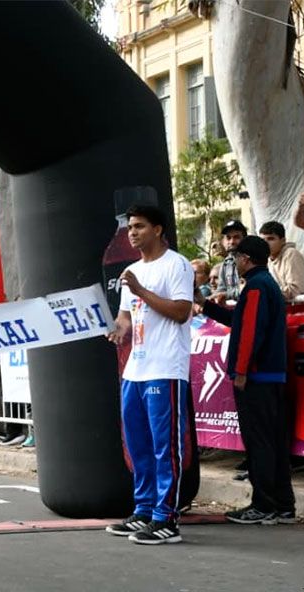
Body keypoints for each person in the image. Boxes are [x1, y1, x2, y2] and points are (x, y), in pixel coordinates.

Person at [105, 204, 194, 545]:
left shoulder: (176, 265)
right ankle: (143, 510)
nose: (132, 233)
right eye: (130, 227)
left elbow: (182, 311)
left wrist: (141, 290)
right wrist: (115, 329)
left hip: (165, 368)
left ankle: (166, 518)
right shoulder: (131, 271)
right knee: (138, 445)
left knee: (164, 447)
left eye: (140, 226)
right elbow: (126, 318)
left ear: (157, 229)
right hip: (136, 369)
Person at [198, 236, 295, 524]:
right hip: (270, 375)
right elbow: (240, 322)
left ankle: (264, 505)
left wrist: (241, 371)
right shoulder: (265, 284)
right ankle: (283, 505)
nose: (234, 263)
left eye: (236, 258)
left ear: (245, 259)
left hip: (256, 376)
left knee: (259, 442)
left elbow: (250, 333)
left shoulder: (255, 287)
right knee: (274, 441)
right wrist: (206, 306)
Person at [260, 221, 304, 301]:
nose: (265, 243)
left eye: (270, 239)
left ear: (283, 241)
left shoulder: (291, 254)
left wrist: (266, 293)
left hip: (298, 307)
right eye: (263, 240)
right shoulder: (267, 259)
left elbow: (296, 290)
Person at [213, 220, 247, 302]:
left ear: (245, 239)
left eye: (236, 237)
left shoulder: (250, 261)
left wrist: (226, 295)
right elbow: (221, 289)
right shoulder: (226, 263)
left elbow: (247, 290)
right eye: (228, 238)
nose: (232, 242)